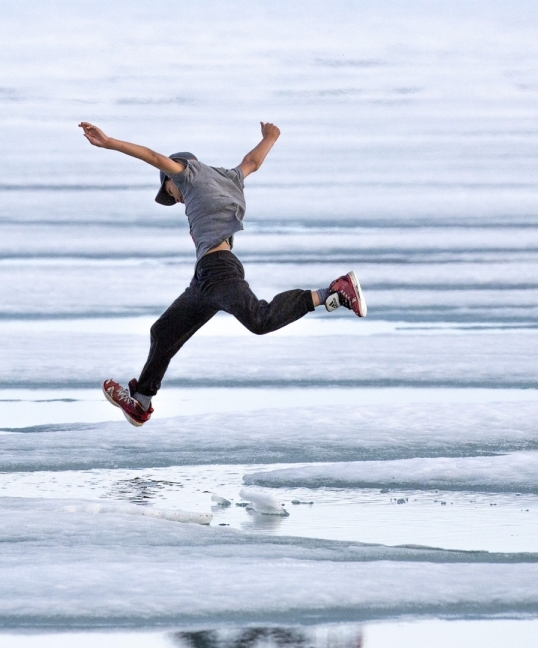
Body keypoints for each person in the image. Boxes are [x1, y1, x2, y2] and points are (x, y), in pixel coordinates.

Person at [79, 120, 365, 426]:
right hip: (205, 278)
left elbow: (152, 156)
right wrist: (271, 136)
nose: (174, 197)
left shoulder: (186, 173)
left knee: (260, 319)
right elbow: (252, 162)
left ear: (174, 173)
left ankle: (331, 292)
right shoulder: (230, 178)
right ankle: (142, 401)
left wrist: (109, 143)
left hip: (219, 271)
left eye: (168, 189)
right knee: (163, 332)